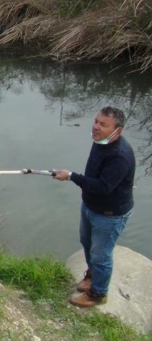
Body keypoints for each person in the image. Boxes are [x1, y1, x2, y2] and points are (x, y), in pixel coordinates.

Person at [53, 106, 135, 308]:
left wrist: (71, 176)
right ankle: (92, 276)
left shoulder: (120, 156)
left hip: (110, 214)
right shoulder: (100, 141)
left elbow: (103, 186)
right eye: (96, 121)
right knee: (87, 242)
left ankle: (98, 294)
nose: (96, 127)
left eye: (103, 124)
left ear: (118, 130)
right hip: (91, 206)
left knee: (101, 255)